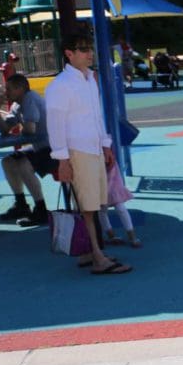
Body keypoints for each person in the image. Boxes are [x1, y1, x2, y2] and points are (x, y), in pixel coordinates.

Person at [45, 30, 132, 275]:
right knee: (88, 206)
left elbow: (96, 115)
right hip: (77, 150)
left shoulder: (89, 79)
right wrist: (62, 160)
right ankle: (97, 256)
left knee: (94, 202)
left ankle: (89, 252)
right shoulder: (60, 85)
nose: (89, 53)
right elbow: (55, 124)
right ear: (69, 54)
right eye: (83, 49)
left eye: (89, 48)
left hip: (92, 148)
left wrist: (105, 144)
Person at [0, 74, 55, 227]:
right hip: (40, 147)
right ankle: (21, 205)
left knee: (23, 165)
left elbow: (30, 129)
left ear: (20, 89)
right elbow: (4, 130)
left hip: (54, 149)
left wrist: (20, 131)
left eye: (8, 89)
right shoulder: (16, 105)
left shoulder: (30, 99)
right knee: (7, 161)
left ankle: (41, 210)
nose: (6, 92)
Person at [99, 160, 141, 248]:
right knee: (102, 209)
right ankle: (112, 235)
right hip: (97, 169)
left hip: (109, 171)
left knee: (119, 207)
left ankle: (132, 236)